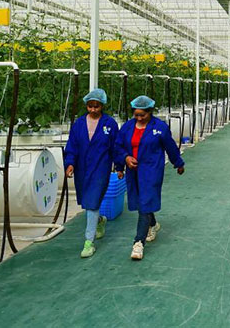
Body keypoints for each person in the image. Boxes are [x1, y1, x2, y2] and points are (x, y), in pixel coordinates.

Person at [116, 95, 185, 260]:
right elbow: (118, 146)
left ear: (150, 112)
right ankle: (153, 224)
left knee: (146, 201)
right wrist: (124, 160)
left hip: (151, 170)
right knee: (141, 202)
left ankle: (138, 243)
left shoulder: (159, 127)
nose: (139, 118)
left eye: (143, 115)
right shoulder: (127, 127)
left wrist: (178, 163)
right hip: (133, 171)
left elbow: (170, 146)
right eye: (136, 115)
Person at [64, 88, 121, 258]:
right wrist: (70, 164)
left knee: (92, 202)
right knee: (87, 202)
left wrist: (119, 167)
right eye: (90, 106)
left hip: (101, 168)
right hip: (82, 168)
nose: (93, 110)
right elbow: (72, 145)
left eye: (96, 106)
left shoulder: (109, 124)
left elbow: (116, 147)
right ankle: (100, 220)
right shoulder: (79, 124)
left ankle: (88, 242)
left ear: (102, 106)